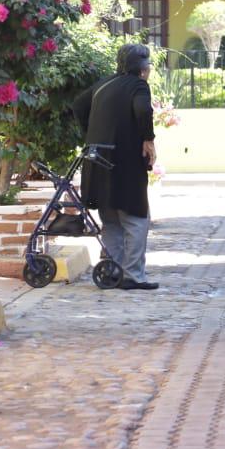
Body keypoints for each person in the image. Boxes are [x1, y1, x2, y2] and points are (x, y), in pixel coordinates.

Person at [72, 44, 158, 290]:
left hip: (97, 161)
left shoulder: (104, 84)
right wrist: (148, 139)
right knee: (137, 219)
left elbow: (78, 105)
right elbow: (143, 109)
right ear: (143, 69)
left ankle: (111, 272)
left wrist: (91, 135)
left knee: (111, 220)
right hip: (125, 163)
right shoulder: (138, 85)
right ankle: (132, 275)